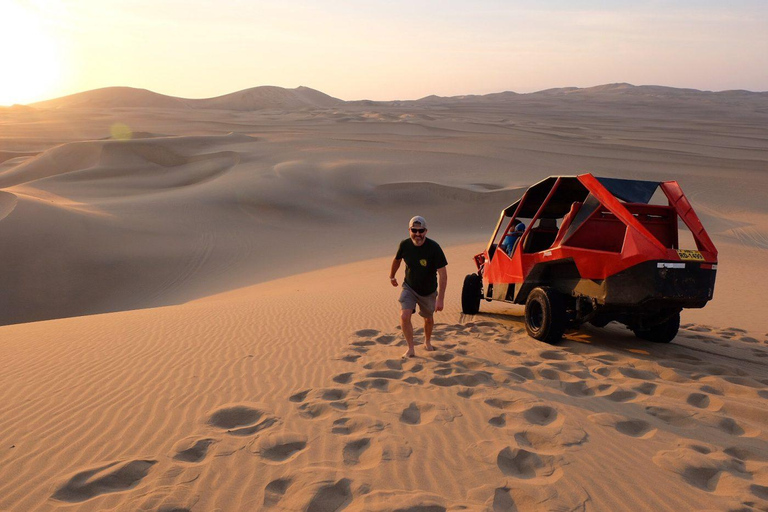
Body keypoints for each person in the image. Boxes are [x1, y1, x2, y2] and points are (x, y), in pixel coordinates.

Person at [389, 216, 448, 358]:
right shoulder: (405, 245)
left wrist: (440, 299)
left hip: (428, 291)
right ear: (409, 230)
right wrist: (392, 276)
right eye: (414, 230)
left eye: (420, 230)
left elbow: (443, 274)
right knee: (404, 315)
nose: (417, 234)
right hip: (409, 287)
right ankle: (411, 348)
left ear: (426, 231)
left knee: (428, 319)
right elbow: (397, 260)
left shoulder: (434, 248)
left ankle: (427, 341)